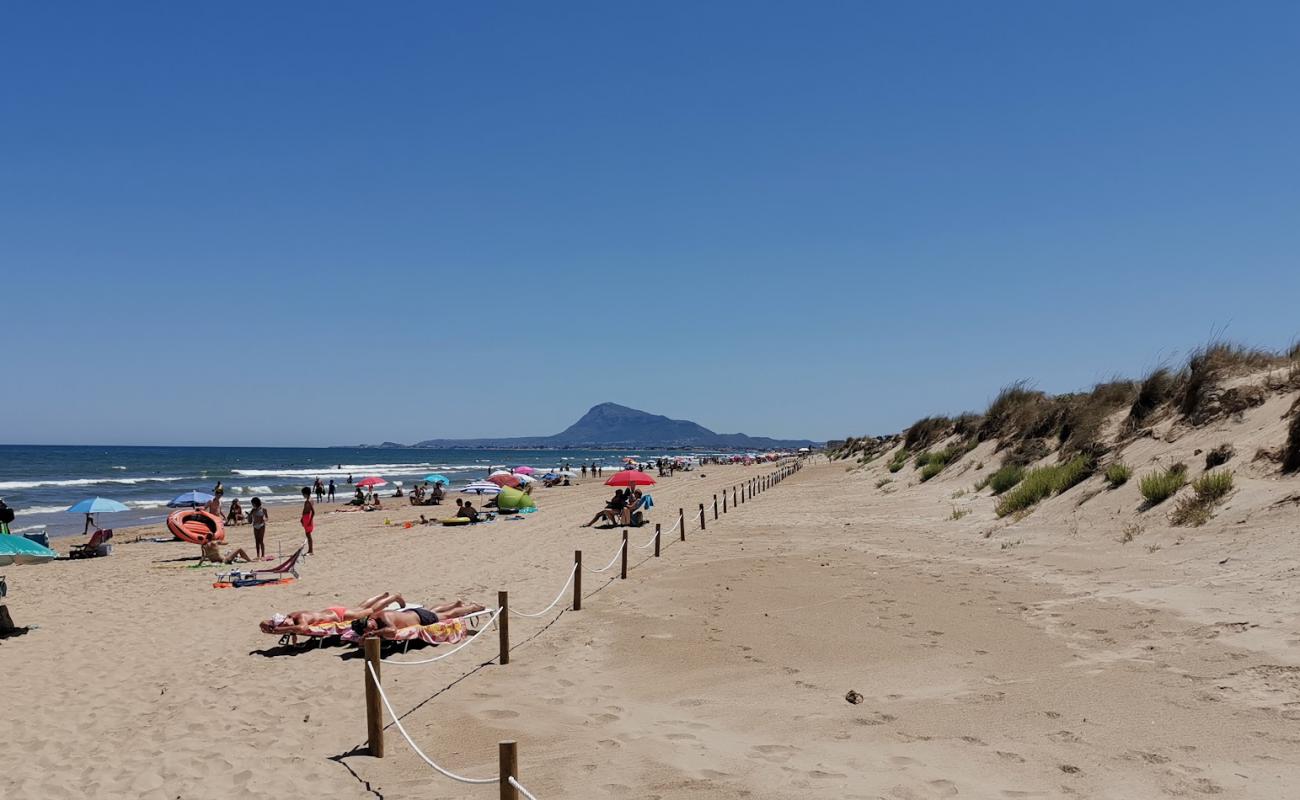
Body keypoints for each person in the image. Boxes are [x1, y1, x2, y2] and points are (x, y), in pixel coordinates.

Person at [260, 591, 411, 632]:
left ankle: (393, 598)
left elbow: (302, 628)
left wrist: (279, 629)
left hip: (339, 615)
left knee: (370, 611)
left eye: (284, 624)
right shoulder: (291, 616)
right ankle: (382, 596)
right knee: (361, 608)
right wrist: (272, 626)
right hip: (333, 611)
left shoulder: (300, 618)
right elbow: (293, 630)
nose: (285, 626)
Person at [350, 599, 488, 638]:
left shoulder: (383, 617)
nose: (372, 629)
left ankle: (472, 607)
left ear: (369, 621)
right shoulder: (373, 619)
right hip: (413, 614)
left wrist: (374, 633)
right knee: (433, 611)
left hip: (420, 618)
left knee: (448, 615)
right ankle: (455, 603)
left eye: (371, 627)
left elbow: (391, 630)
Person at [300, 487, 315, 554]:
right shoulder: (310, 500)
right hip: (306, 517)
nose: (303, 495)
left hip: (307, 518)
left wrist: (309, 521)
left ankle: (310, 550)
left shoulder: (308, 501)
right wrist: (302, 518)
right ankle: (310, 550)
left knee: (308, 534)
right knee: (308, 534)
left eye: (303, 494)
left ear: (306, 494)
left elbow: (313, 512)